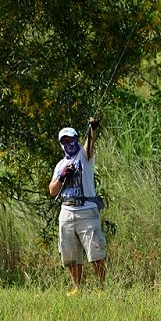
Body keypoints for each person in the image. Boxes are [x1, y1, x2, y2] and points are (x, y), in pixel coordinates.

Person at [49, 118, 106, 296]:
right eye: (64, 141)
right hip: (66, 211)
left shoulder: (84, 155)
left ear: (76, 139)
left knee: (95, 251)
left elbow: (91, 141)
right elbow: (52, 190)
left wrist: (93, 128)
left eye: (71, 140)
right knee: (70, 254)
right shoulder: (60, 165)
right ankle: (76, 288)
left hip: (86, 210)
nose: (68, 144)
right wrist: (62, 176)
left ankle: (102, 288)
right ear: (61, 144)